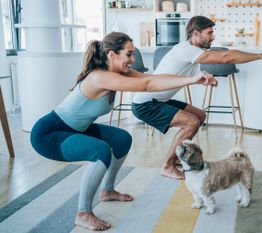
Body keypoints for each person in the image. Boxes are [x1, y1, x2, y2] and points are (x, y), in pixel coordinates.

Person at [30, 32, 216, 231]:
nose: (133, 59)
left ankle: (107, 191)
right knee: (100, 151)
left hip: (76, 129)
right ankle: (83, 213)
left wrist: (192, 78)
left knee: (121, 139)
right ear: (112, 55)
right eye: (129, 54)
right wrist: (191, 80)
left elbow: (152, 78)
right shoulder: (99, 77)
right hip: (49, 134)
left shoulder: (117, 73)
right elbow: (147, 85)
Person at [131, 16, 262, 180]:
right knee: (191, 122)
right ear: (196, 33)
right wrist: (260, 56)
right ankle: (167, 166)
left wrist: (201, 80)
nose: (213, 37)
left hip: (158, 100)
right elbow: (225, 57)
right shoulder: (187, 50)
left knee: (199, 116)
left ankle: (176, 158)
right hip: (145, 103)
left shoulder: (191, 50)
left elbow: (176, 75)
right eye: (210, 33)